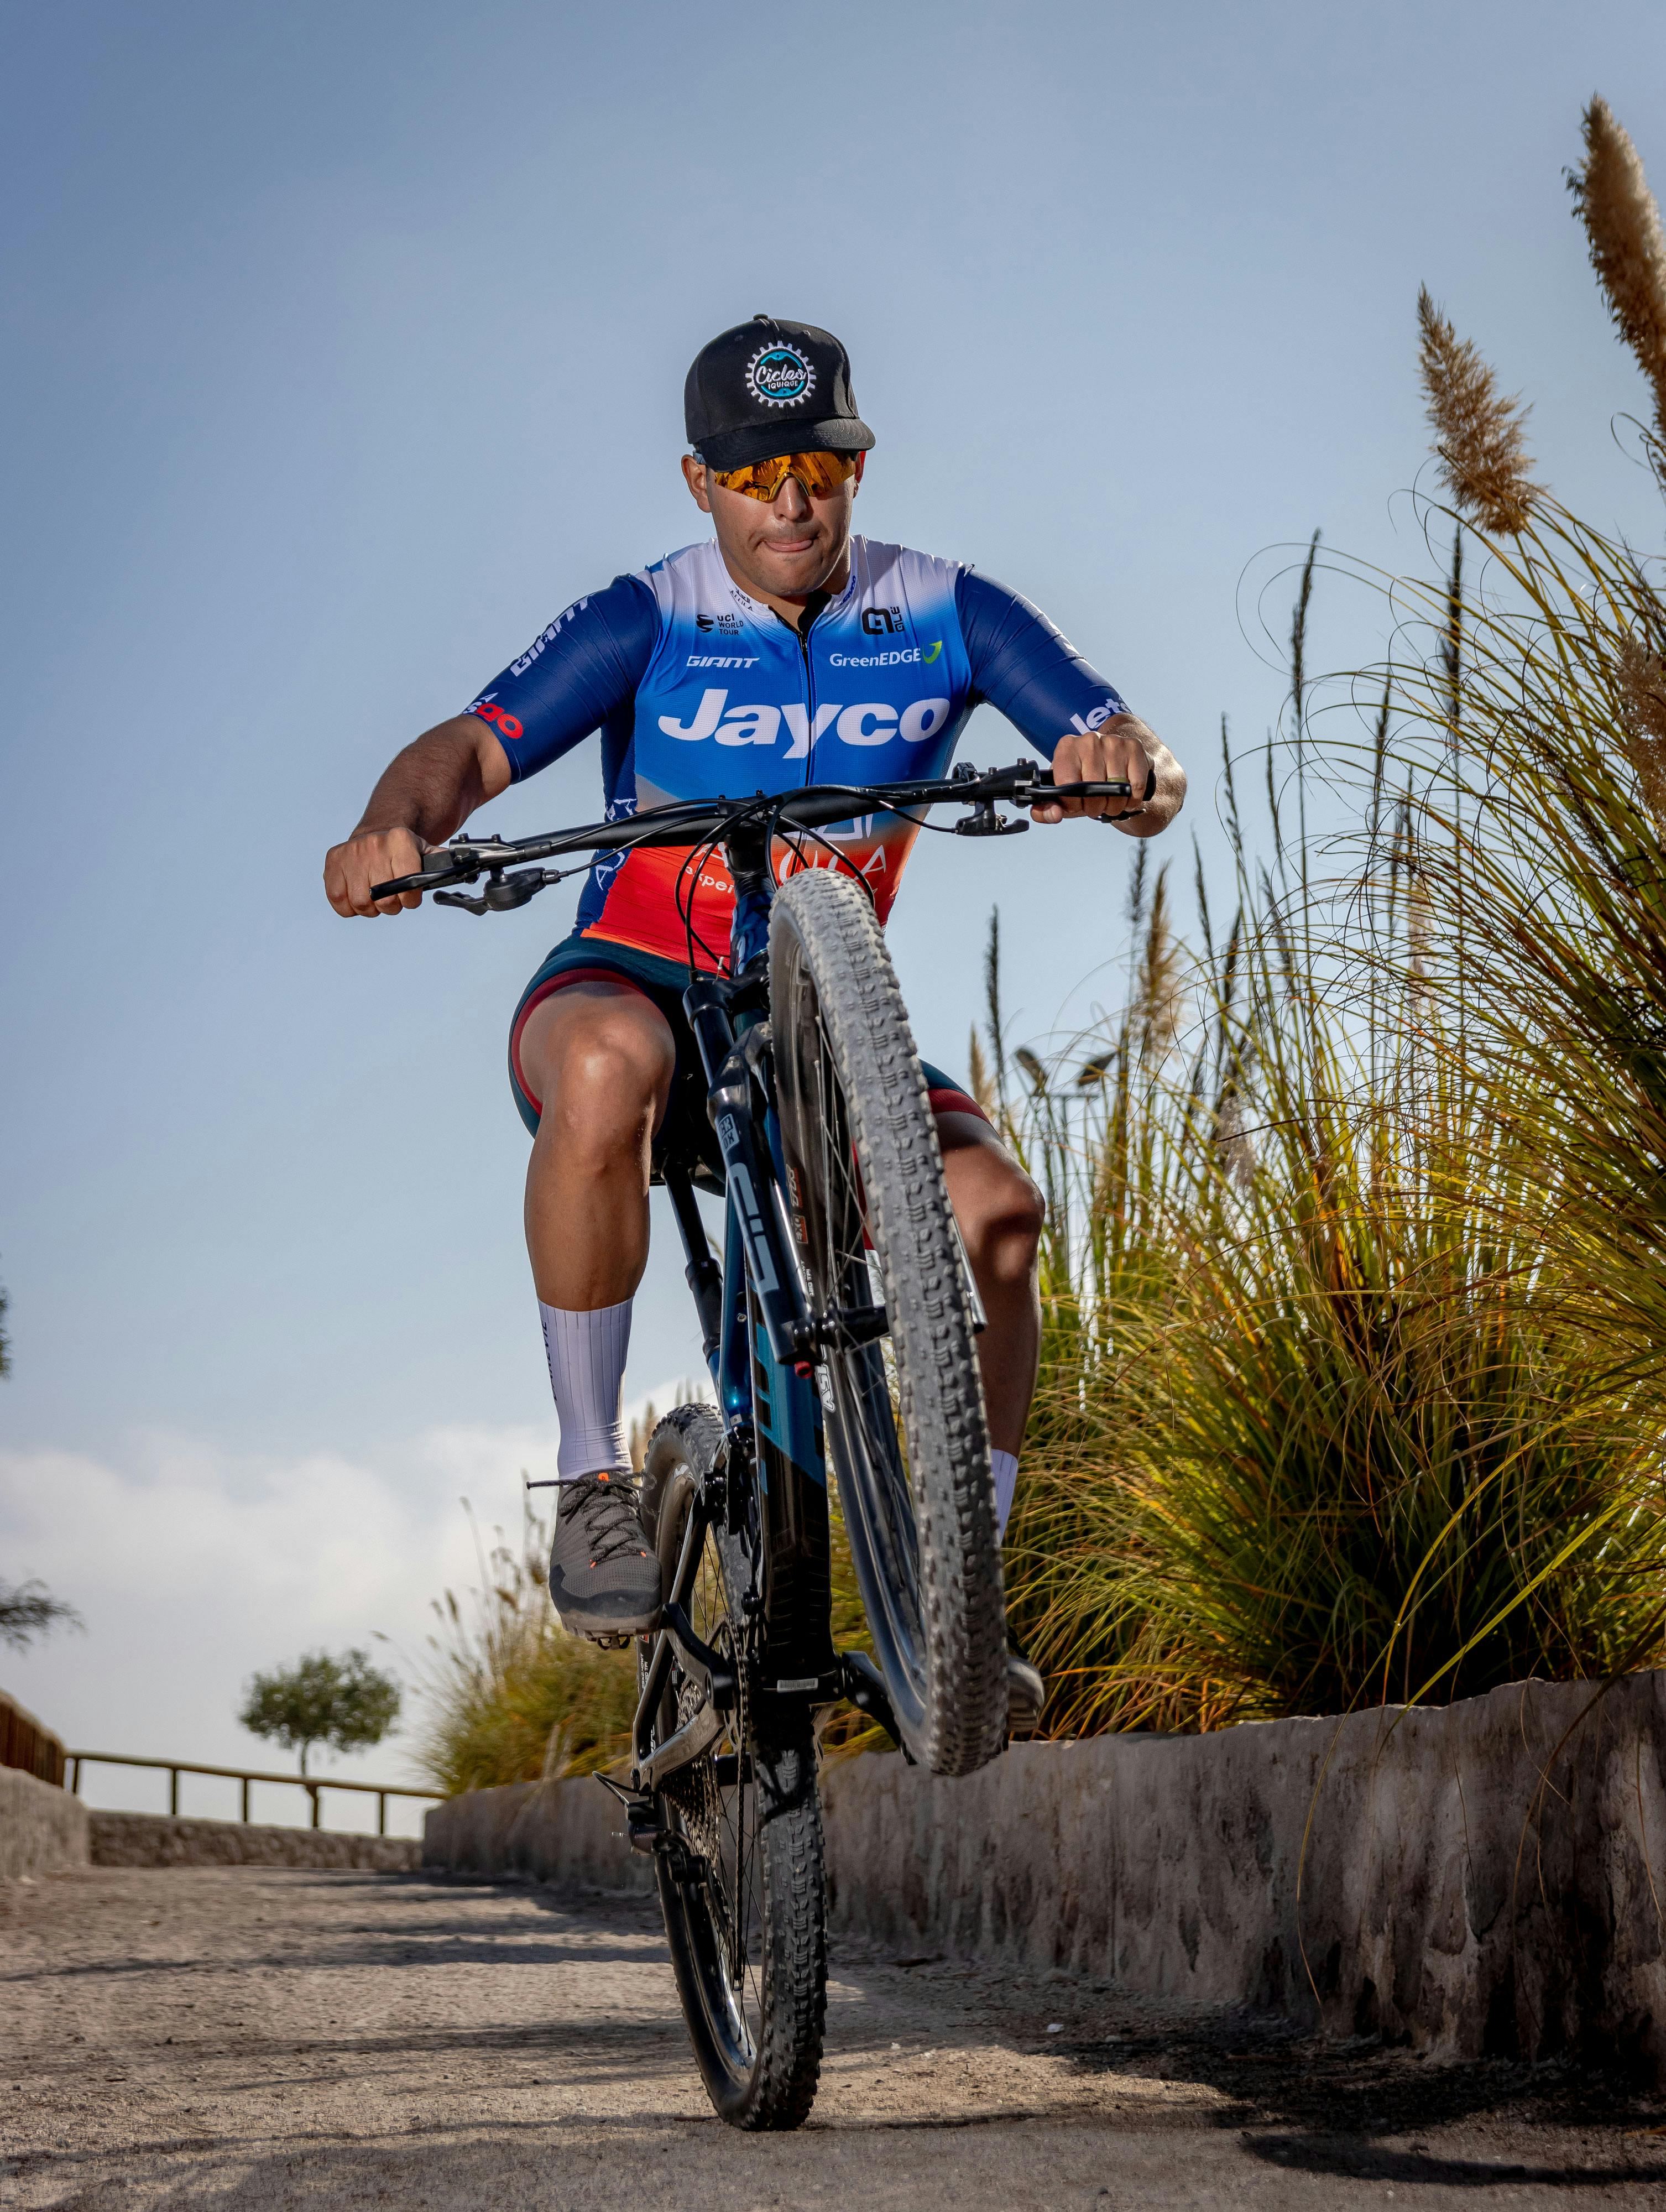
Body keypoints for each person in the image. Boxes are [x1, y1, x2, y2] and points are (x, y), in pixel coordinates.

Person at [325, 315, 1185, 1727]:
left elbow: (1131, 748)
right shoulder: (648, 613)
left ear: (859, 466)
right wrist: (388, 830)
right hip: (628, 976)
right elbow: (470, 750)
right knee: (611, 1065)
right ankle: (593, 1475)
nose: (790, 500)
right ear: (698, 482)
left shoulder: (946, 608)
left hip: (819, 1025)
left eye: (819, 465)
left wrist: (1118, 764)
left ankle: (964, 1592)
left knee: (1001, 1225)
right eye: (754, 473)